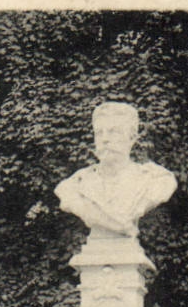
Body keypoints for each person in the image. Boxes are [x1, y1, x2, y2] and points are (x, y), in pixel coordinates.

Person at [54, 102, 177, 241]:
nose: (105, 139)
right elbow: (68, 196)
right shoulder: (76, 184)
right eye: (99, 133)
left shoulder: (154, 179)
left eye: (114, 132)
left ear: (132, 138)